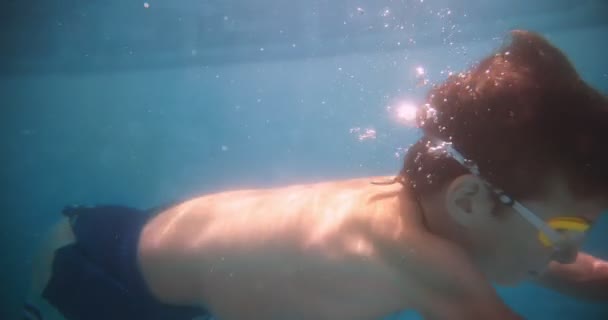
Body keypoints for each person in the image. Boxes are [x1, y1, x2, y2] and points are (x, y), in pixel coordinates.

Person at [24, 30, 607, 320]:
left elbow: (584, 277)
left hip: (132, 239)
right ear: (473, 200)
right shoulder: (422, 261)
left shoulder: (448, 207)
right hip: (101, 278)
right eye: (563, 228)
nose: (565, 254)